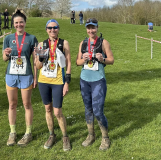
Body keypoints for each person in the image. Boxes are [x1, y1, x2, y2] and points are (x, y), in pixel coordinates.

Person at [76, 18, 114, 150]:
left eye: (93, 28)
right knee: (88, 109)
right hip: (84, 80)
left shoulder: (103, 42)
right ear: (86, 29)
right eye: (89, 28)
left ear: (97, 28)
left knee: (98, 111)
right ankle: (91, 135)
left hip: (98, 80)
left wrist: (102, 59)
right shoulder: (83, 43)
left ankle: (105, 138)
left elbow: (111, 60)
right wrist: (83, 59)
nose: (91, 30)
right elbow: (77, 62)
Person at [35, 19, 72, 151]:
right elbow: (38, 66)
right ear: (46, 30)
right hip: (44, 81)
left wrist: (67, 82)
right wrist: (40, 57)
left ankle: (65, 137)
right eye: (49, 28)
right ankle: (51, 135)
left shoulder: (63, 43)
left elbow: (68, 63)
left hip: (58, 81)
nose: (52, 30)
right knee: (48, 109)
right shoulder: (41, 44)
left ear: (58, 29)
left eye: (55, 27)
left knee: (57, 112)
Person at [3, 8, 38, 146]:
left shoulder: (31, 38)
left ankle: (28, 133)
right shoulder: (8, 38)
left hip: (26, 75)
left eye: (21, 22)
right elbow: (4, 59)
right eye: (16, 23)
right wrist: (6, 53)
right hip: (11, 75)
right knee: (12, 104)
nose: (19, 25)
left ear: (25, 23)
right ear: (13, 24)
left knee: (27, 104)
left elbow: (35, 60)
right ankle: (12, 133)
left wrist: (36, 77)